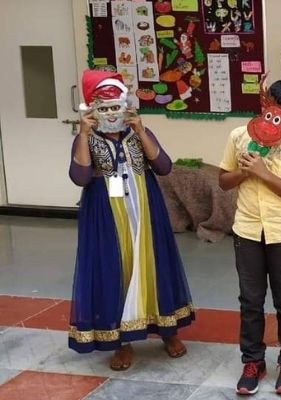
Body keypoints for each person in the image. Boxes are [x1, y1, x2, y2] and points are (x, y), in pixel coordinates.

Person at [68, 70, 194, 370]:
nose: (112, 113)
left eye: (117, 106)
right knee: (115, 268)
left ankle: (168, 331)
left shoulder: (138, 132)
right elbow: (80, 177)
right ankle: (120, 342)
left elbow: (164, 167)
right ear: (92, 110)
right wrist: (83, 134)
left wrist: (141, 130)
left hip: (146, 210)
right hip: (106, 215)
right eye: (105, 108)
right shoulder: (87, 138)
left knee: (154, 264)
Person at [219, 77, 281, 395]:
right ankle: (253, 361)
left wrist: (264, 173)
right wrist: (245, 171)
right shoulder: (238, 136)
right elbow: (223, 181)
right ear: (268, 104)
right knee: (250, 300)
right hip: (246, 229)